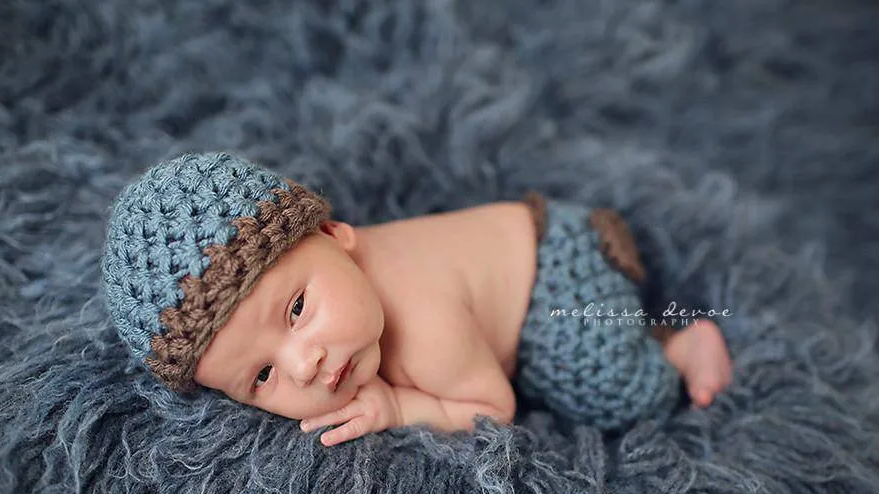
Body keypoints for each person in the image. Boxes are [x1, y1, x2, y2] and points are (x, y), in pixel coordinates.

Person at [101, 152, 732, 447]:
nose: (304, 365)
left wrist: (401, 407)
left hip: (558, 272)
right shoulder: (338, 282)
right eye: (260, 375)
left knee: (614, 392)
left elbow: (494, 406)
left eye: (296, 310)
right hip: (513, 250)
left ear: (333, 235)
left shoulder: (421, 321)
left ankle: (679, 343)